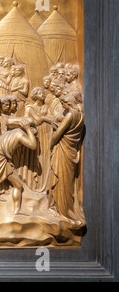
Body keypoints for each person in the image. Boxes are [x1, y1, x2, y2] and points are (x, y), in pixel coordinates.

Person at [0, 118, 38, 216]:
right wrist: (28, 129)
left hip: (0, 158)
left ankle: (17, 210)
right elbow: (33, 145)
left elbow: (9, 121)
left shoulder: (12, 131)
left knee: (17, 184)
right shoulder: (20, 135)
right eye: (33, 132)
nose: (33, 133)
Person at [49, 94, 85, 223]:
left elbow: (58, 134)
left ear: (67, 103)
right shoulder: (80, 113)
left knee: (61, 179)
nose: (62, 106)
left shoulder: (70, 115)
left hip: (63, 149)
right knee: (67, 180)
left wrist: (51, 144)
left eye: (63, 104)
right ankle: (66, 207)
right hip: (71, 149)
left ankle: (63, 210)